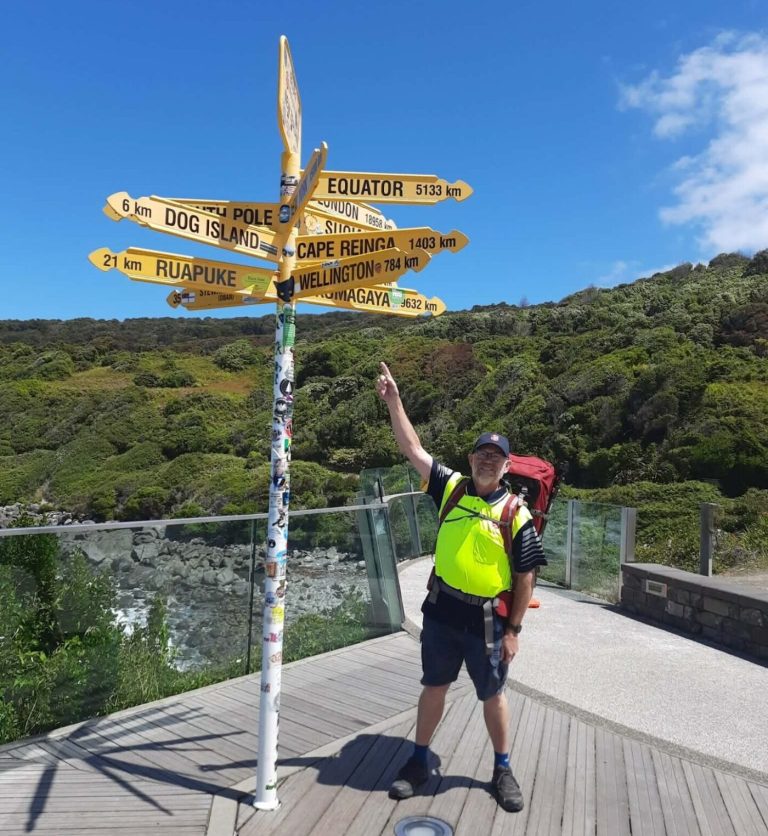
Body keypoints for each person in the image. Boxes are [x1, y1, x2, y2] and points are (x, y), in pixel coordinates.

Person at [376, 361, 547, 813]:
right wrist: (394, 400)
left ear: (506, 466)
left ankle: (502, 768)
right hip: (442, 610)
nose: (487, 460)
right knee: (434, 686)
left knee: (492, 694)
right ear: (471, 460)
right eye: (481, 454)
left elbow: (526, 574)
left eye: (496, 457)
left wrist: (514, 631)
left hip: (489, 619)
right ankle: (417, 761)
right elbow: (412, 448)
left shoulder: (516, 512)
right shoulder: (451, 488)